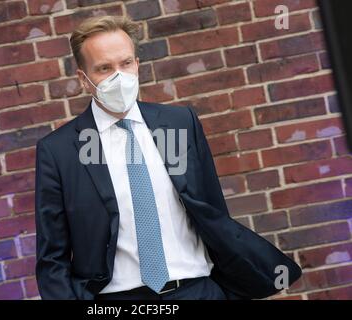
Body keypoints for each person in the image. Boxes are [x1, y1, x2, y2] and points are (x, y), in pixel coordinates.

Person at [34, 15, 302, 300]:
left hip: (197, 290)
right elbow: (52, 258)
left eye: (125, 63)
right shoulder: (59, 152)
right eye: (104, 68)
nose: (118, 76)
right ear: (83, 79)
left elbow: (214, 213)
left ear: (137, 64)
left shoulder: (179, 123)